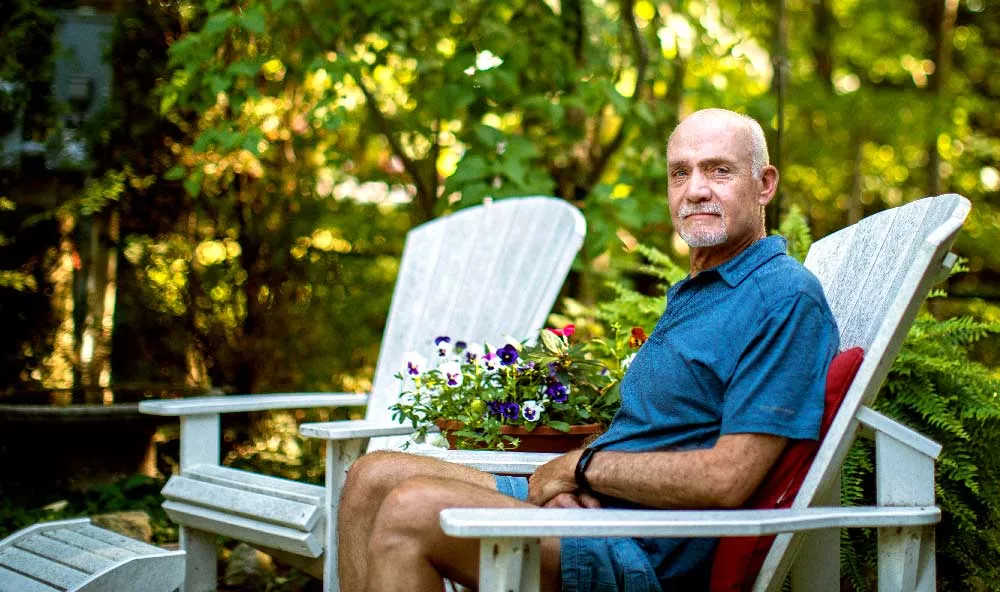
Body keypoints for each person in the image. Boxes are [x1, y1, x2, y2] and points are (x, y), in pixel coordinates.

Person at [336, 108, 840, 592]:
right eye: (679, 173)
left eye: (719, 171)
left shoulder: (781, 297)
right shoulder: (704, 288)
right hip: (601, 511)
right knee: (371, 475)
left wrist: (579, 468)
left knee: (411, 510)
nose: (695, 190)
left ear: (765, 184)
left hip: (645, 551)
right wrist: (580, 484)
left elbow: (727, 478)